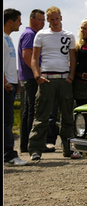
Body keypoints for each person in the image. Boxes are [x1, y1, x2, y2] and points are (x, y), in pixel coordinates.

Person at [28, 6, 78, 161]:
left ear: (61, 18)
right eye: (52, 19)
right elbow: (34, 58)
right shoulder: (41, 35)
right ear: (48, 20)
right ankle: (35, 149)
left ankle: (68, 148)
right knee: (41, 115)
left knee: (67, 116)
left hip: (64, 79)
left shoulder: (69, 35)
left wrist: (71, 77)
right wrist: (37, 76)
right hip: (46, 79)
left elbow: (73, 58)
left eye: (57, 18)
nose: (55, 22)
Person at [17, 9, 51, 154]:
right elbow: (27, 55)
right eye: (40, 20)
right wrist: (37, 74)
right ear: (32, 19)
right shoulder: (30, 35)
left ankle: (26, 144)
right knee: (35, 111)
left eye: (44, 20)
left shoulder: (30, 34)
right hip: (32, 78)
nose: (43, 23)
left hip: (28, 77)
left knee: (28, 111)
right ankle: (33, 144)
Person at [4, 9, 28, 166]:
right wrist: (5, 81)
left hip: (11, 83)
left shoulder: (9, 39)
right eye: (18, 20)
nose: (20, 23)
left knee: (8, 120)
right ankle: (9, 155)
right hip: (6, 86)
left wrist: (16, 81)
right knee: (7, 121)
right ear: (10, 21)